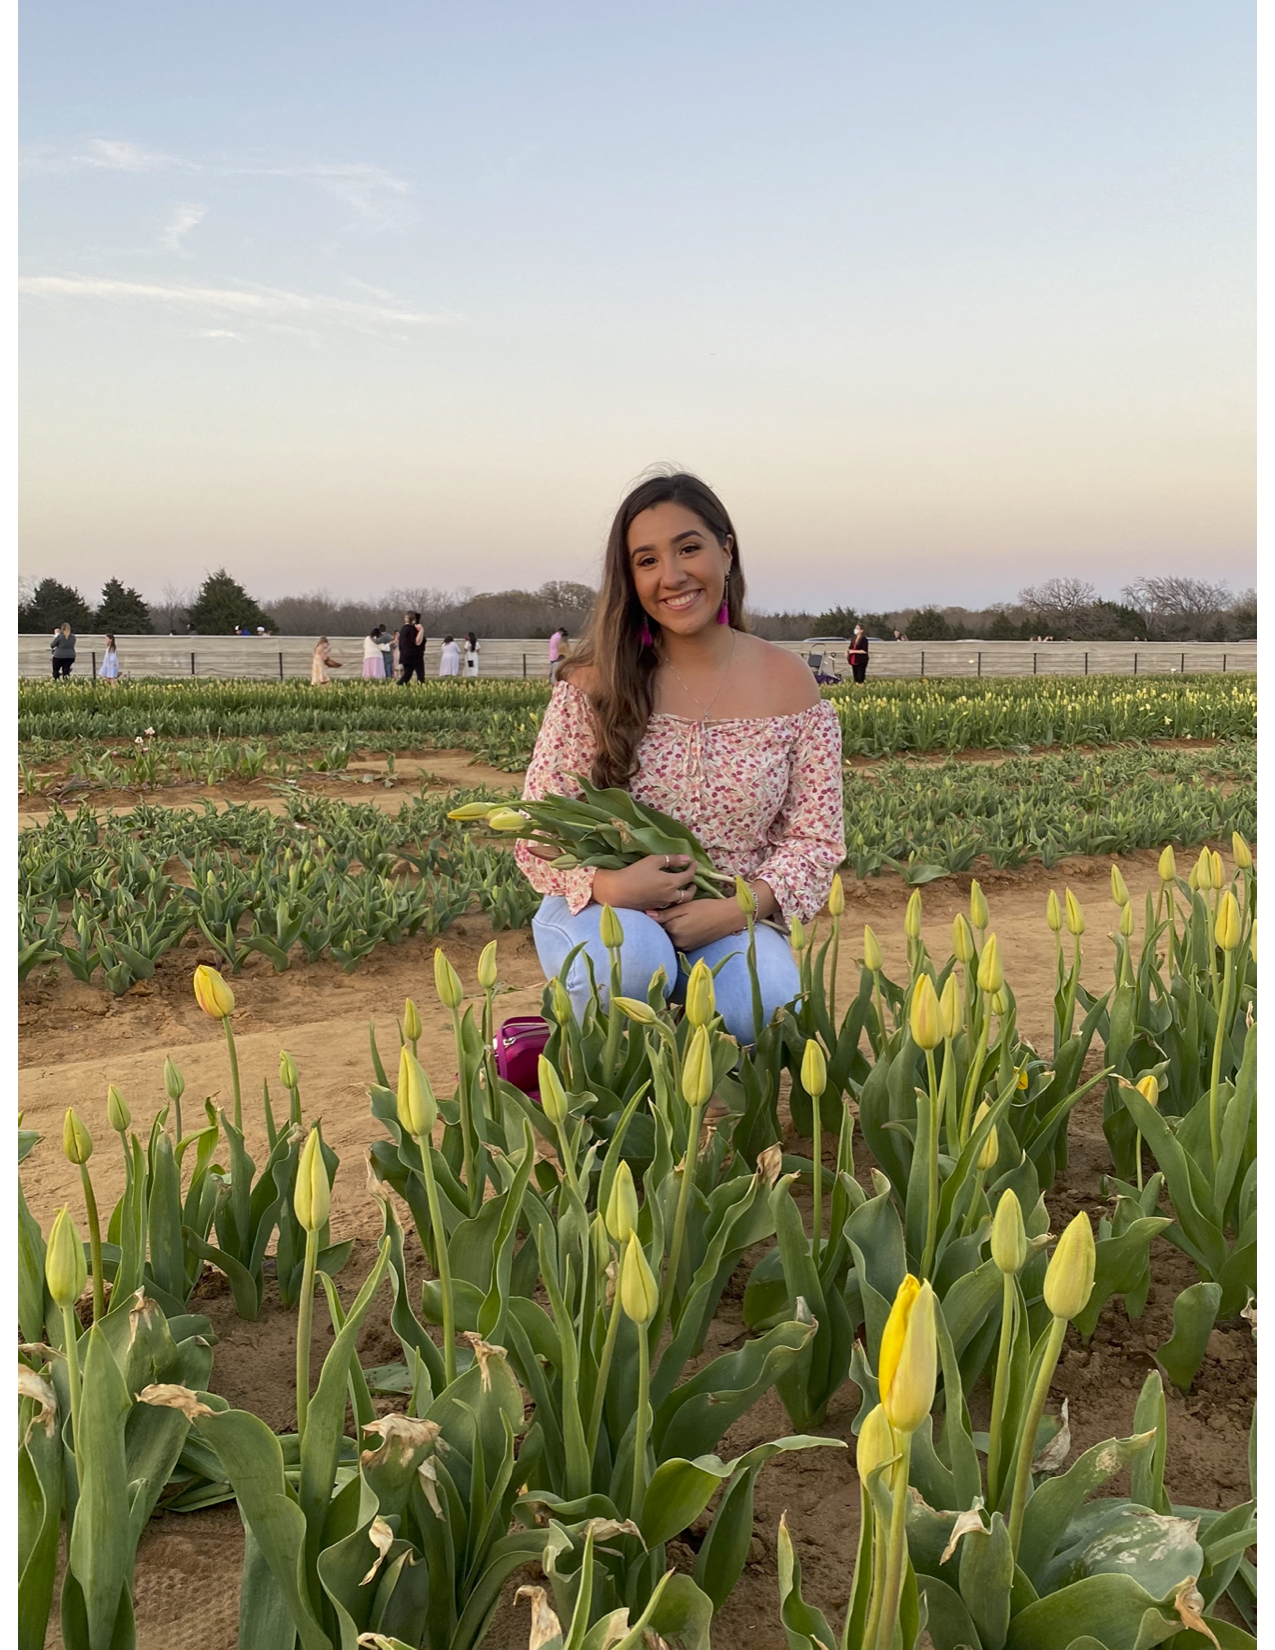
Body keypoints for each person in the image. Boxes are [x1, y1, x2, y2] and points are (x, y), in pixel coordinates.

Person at [516, 471, 845, 1047]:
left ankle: (705, 1097)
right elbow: (536, 829)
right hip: (604, 910)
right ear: (630, 577)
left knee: (764, 999)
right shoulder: (596, 682)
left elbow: (815, 842)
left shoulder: (789, 683)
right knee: (633, 962)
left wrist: (740, 908)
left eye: (688, 548)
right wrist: (609, 886)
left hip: (728, 913)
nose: (671, 576)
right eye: (646, 560)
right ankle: (595, 1073)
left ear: (726, 550)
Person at [397, 612, 426, 684]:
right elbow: (417, 642)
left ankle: (398, 686)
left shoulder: (403, 629)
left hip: (405, 656)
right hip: (415, 656)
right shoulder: (411, 629)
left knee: (407, 675)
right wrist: (421, 630)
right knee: (420, 675)